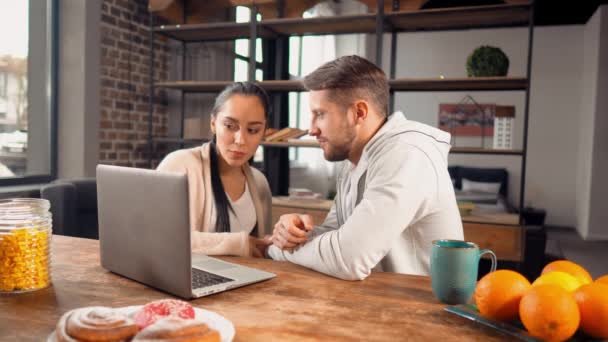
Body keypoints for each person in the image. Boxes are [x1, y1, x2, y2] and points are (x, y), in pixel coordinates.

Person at [267, 55, 464, 279]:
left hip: (420, 308)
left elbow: (348, 258)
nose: (311, 130)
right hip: (378, 301)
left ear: (359, 113)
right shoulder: (355, 162)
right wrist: (294, 234)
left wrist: (275, 249)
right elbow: (337, 233)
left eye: (319, 114)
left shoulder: (407, 153)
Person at [157, 82, 272, 258]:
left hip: (245, 279)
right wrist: (241, 244)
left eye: (253, 130)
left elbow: (262, 247)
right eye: (230, 126)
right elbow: (160, 238)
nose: (240, 140)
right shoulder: (180, 165)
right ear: (213, 123)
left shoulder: (259, 183)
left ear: (264, 131)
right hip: (191, 279)